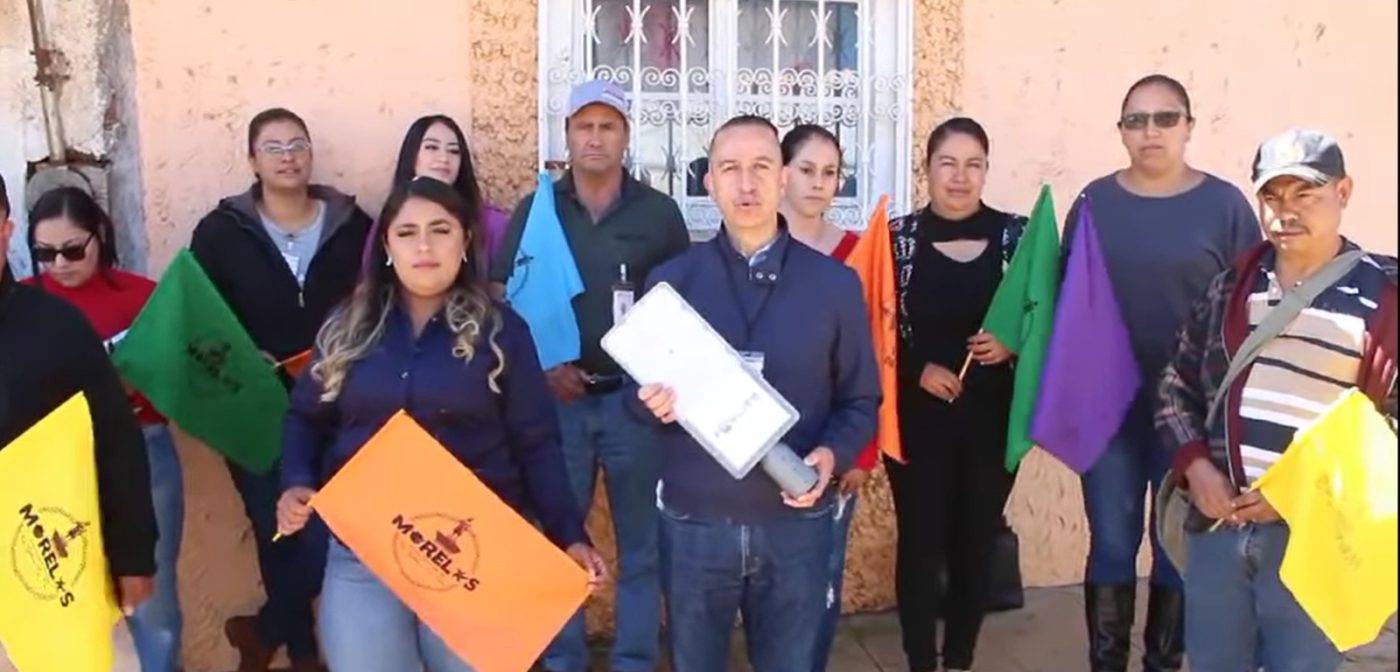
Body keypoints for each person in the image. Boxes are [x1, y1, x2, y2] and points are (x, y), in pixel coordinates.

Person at [274, 177, 607, 671]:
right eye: (407, 233)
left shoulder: (503, 331)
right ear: (387, 246)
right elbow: (306, 416)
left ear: (465, 240)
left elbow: (536, 443)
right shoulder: (347, 327)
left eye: (440, 230)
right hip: (365, 550)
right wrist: (296, 482)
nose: (424, 246)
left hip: (473, 556)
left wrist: (568, 535)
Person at [635, 115, 880, 672]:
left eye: (761, 167)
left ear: (783, 178)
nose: (746, 184)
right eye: (730, 169)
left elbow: (861, 401)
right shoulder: (671, 284)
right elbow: (634, 397)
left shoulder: (835, 285)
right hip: (695, 521)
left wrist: (832, 453)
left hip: (794, 524)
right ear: (709, 182)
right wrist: (648, 403)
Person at [1156, 129, 1397, 671]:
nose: (1286, 211)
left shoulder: (1384, 299)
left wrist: (1299, 492)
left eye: (1305, 194)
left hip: (1318, 541)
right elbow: (1175, 384)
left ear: (1343, 191)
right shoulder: (1232, 288)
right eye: (1272, 196)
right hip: (1219, 529)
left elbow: (1390, 432)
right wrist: (1197, 467)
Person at [490, 79, 690, 672]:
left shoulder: (659, 213)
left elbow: (681, 309)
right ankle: (562, 660)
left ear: (626, 135)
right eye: (584, 126)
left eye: (608, 126)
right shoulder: (538, 210)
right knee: (558, 541)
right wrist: (542, 367)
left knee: (641, 547)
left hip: (633, 403)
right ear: (567, 134)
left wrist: (651, 382)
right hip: (557, 404)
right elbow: (502, 298)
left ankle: (633, 661)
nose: (595, 138)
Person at [1066, 74, 1263, 672]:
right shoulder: (1093, 203)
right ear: (1121, 131)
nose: (1150, 131)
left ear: (1189, 126)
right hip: (1111, 412)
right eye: (1136, 120)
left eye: (1165, 117)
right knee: (1112, 543)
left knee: (1176, 548)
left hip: (1191, 417)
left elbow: (1252, 308)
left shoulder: (1225, 207)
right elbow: (1064, 303)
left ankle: (1162, 663)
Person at [189, 107, 372, 672]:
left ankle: (266, 630)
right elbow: (201, 316)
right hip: (253, 405)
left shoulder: (353, 226)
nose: (288, 156)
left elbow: (377, 302)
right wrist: (246, 356)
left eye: (298, 144)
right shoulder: (220, 232)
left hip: (337, 405)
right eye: (273, 147)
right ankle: (303, 651)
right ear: (252, 160)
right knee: (275, 528)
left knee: (329, 527)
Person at [880, 118, 1023, 672]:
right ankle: (920, 660)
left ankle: (960, 658)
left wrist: (1012, 343)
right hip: (917, 421)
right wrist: (917, 370)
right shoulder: (896, 240)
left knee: (975, 544)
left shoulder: (1017, 239)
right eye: (948, 163)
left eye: (973, 165)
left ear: (986, 170)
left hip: (992, 421)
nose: (960, 177)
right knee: (920, 544)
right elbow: (874, 326)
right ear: (927, 169)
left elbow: (1049, 318)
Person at [22, 187, 183, 672]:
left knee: (152, 600)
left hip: (142, 451)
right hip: (53, 469)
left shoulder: (143, 297)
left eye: (73, 250)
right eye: (45, 253)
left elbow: (183, 383)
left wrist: (134, 387)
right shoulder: (23, 307)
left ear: (101, 236)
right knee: (61, 595)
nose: (60, 264)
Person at [777, 124, 872, 672]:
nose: (818, 183)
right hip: (761, 443)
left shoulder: (857, 254)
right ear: (782, 173)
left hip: (831, 443)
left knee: (822, 581)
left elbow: (875, 358)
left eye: (830, 173)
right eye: (807, 169)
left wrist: (860, 451)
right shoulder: (754, 246)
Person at [389, 114, 510, 277]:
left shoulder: (491, 223)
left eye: (454, 151)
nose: (444, 158)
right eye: (432, 147)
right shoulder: (390, 218)